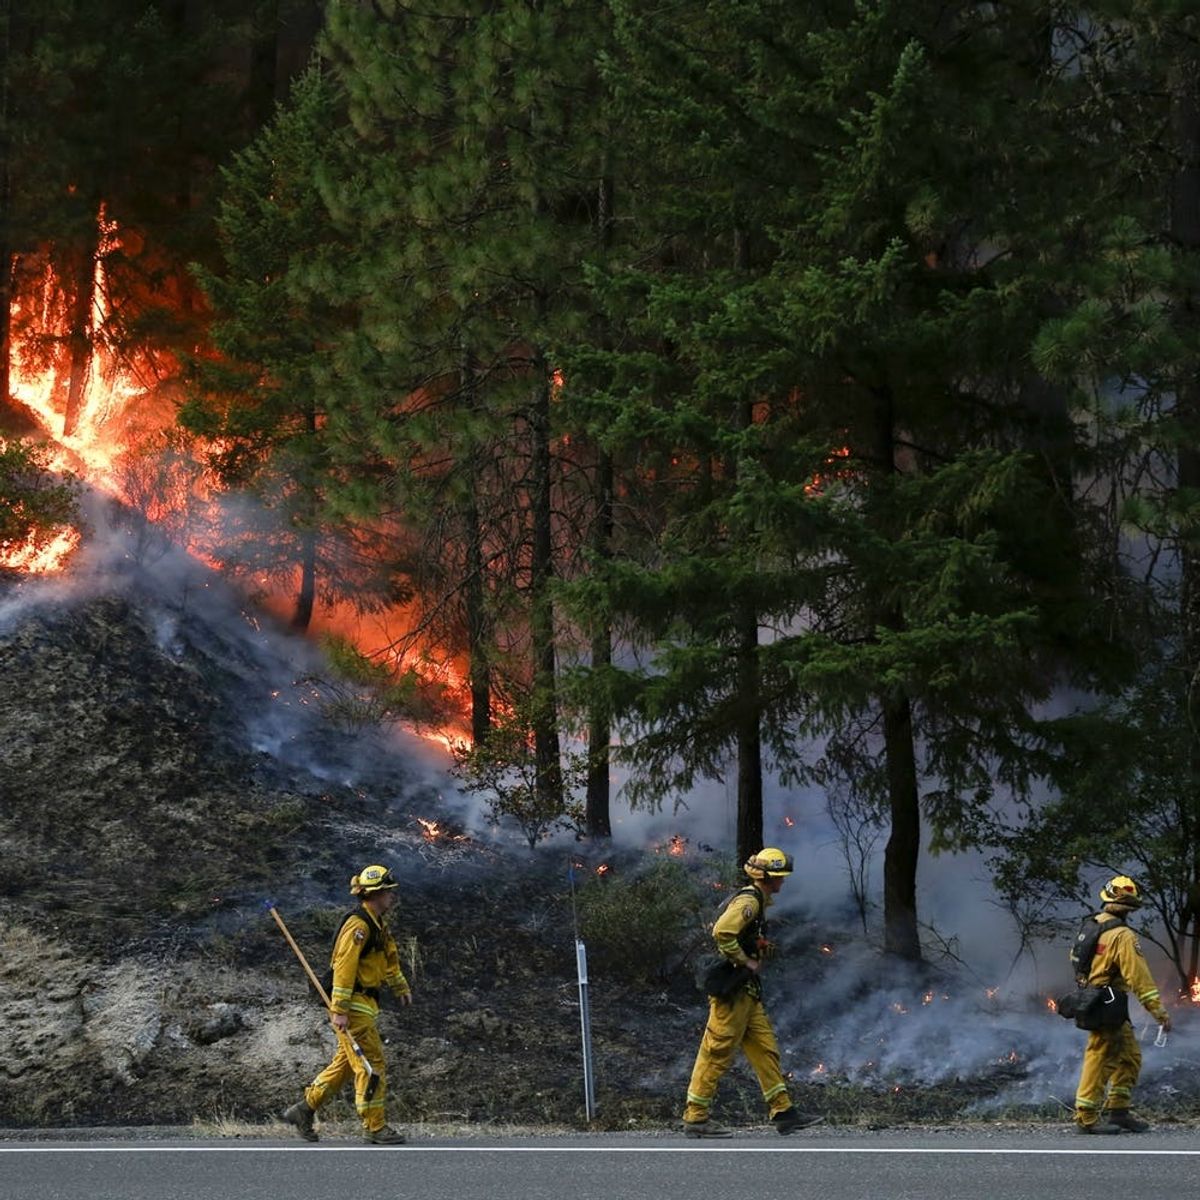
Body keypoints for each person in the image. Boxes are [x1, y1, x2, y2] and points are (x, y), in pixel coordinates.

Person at [681, 847, 822, 1137]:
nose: (783, 882)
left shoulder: (757, 901)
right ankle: (696, 1118)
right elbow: (722, 932)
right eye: (779, 877)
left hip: (746, 994)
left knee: (765, 1050)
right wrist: (745, 960)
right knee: (716, 1051)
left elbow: (738, 935)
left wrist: (756, 945)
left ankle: (783, 1112)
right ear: (766, 877)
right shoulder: (749, 901)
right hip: (732, 995)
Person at [282, 864, 413, 1145]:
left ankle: (304, 1110)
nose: (392, 896)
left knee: (344, 1065)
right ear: (375, 894)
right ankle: (375, 1127)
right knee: (371, 1065)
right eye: (388, 891)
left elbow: (388, 959)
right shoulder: (359, 926)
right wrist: (339, 1010)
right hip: (353, 1007)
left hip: (365, 1003)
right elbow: (344, 967)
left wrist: (400, 986)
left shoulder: (378, 924)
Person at [1072, 874, 1171, 1134]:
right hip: (1110, 1001)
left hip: (1094, 998)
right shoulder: (1122, 935)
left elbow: (1076, 961)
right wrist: (1158, 1012)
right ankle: (1087, 1117)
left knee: (1130, 1057)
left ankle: (1119, 1111)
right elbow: (1138, 976)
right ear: (1130, 907)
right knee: (1100, 1056)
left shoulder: (1090, 926)